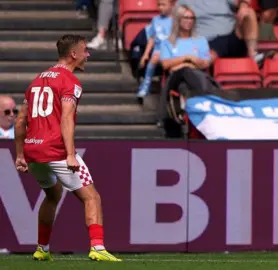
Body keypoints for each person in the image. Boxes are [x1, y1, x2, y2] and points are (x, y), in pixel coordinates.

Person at [14, 34, 121, 262]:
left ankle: (42, 249)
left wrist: (21, 154)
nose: (87, 55)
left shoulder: (37, 80)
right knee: (92, 197)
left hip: (34, 153)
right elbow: (66, 118)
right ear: (73, 54)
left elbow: (20, 120)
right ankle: (98, 248)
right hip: (57, 151)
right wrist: (70, 155)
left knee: (52, 195)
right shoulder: (70, 81)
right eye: (85, 50)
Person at [157, 4, 213, 128]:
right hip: (174, 79)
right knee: (185, 72)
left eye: (191, 18)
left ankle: (186, 114)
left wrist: (181, 64)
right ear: (178, 19)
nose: (189, 21)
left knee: (185, 85)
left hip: (195, 78)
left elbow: (206, 63)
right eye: (185, 18)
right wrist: (188, 58)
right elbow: (166, 65)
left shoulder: (201, 41)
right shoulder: (168, 42)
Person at [175, 0, 269, 66]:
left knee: (248, 12)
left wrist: (243, 6)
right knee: (208, 54)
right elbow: (174, 20)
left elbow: (242, 1)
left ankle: (253, 55)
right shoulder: (183, 2)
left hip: (231, 35)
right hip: (206, 40)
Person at [137, 0, 174, 99]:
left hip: (172, 50)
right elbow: (152, 39)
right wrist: (145, 54)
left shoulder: (176, 21)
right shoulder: (155, 20)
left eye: (164, 5)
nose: (161, 7)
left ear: (171, 5)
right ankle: (146, 85)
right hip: (158, 51)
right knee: (152, 59)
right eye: (159, 5)